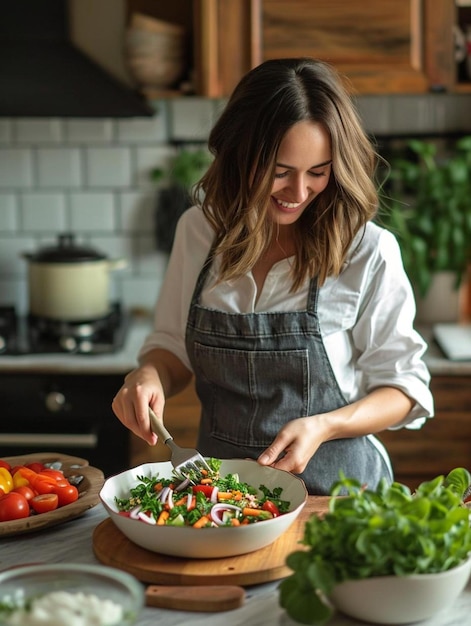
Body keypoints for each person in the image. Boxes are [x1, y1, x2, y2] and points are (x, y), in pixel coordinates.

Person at [112, 57, 434, 495]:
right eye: (280, 173)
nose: (298, 193)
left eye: (318, 173)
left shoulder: (367, 249)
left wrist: (324, 426)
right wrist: (149, 374)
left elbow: (404, 387)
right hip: (223, 498)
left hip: (337, 497)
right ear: (239, 156)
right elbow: (171, 349)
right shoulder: (198, 232)